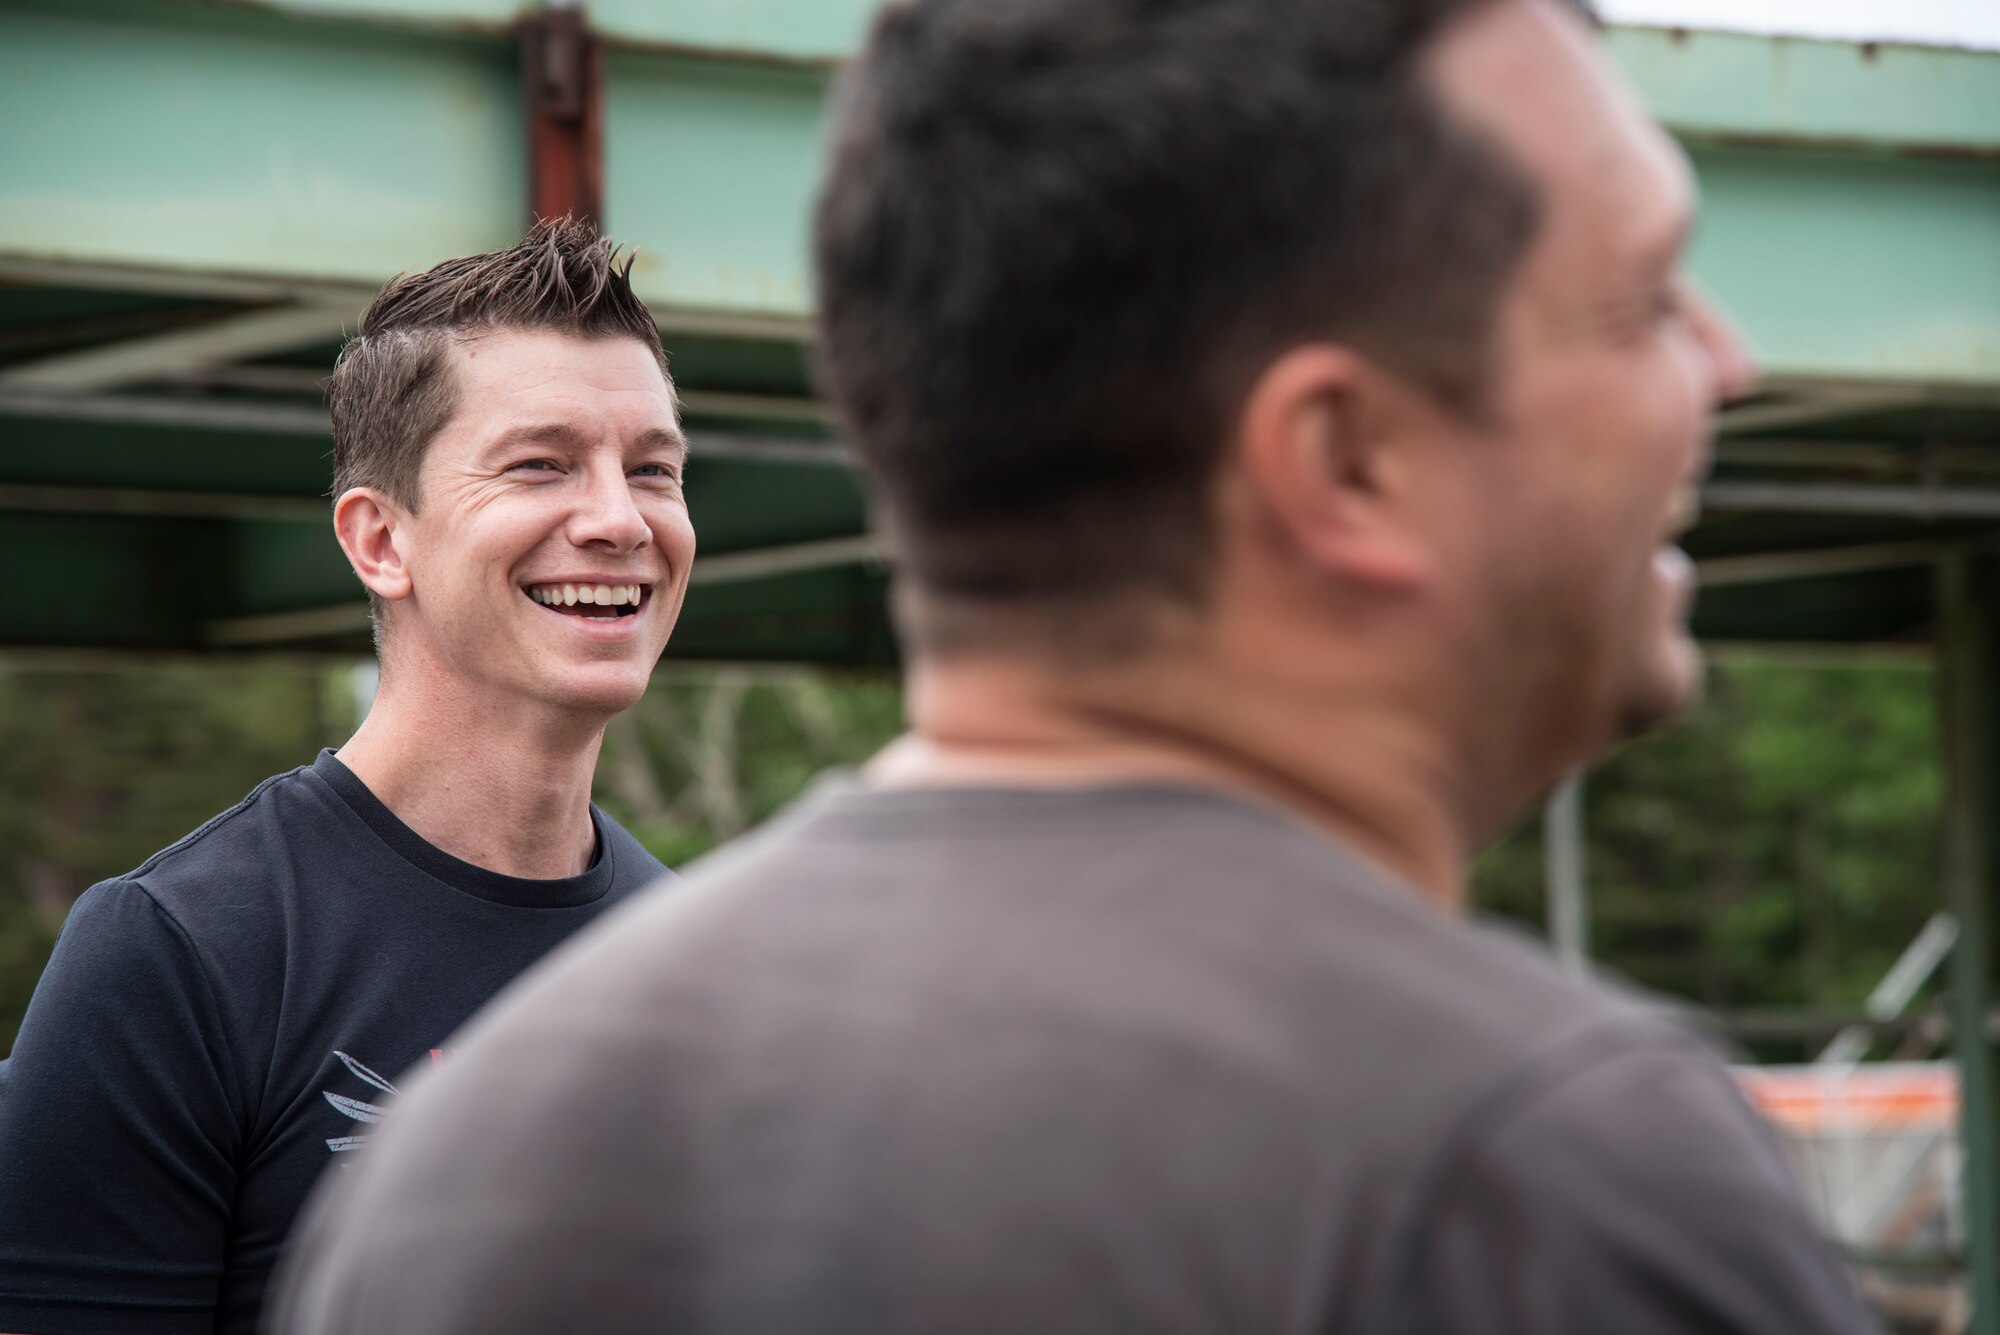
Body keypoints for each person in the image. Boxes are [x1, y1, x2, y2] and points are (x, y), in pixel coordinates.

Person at [273, 1, 1879, 1331]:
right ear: (1345, 458)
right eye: (1639, 298)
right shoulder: (1534, 1180)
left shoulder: (462, 1165)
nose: (1725, 367)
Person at [0, 219, 693, 1335]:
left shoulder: (703, 950)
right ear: (379, 541)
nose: (620, 519)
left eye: (653, 469)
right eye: (539, 464)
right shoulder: (176, 956)